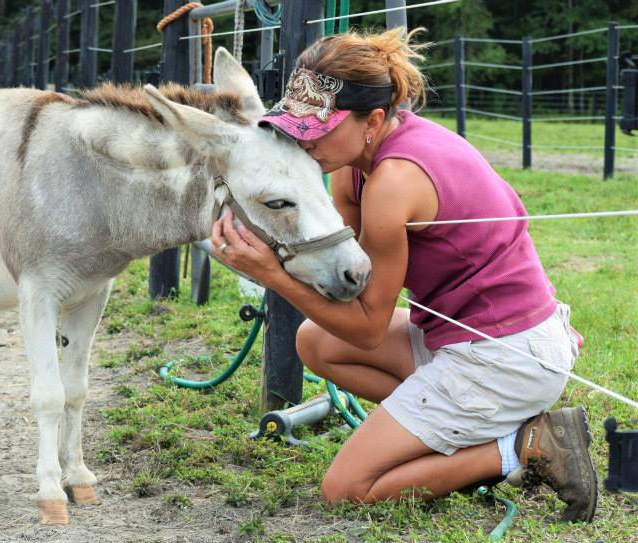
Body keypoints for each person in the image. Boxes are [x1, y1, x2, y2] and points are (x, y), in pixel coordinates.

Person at [210, 27, 598, 523]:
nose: (304, 142)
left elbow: (369, 328)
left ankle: (521, 445)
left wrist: (271, 274)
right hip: (482, 339)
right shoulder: (355, 162)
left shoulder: (394, 182)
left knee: (347, 488)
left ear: (372, 119)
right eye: (297, 128)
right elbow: (344, 281)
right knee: (316, 343)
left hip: (504, 356)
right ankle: (454, 426)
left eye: (319, 130)